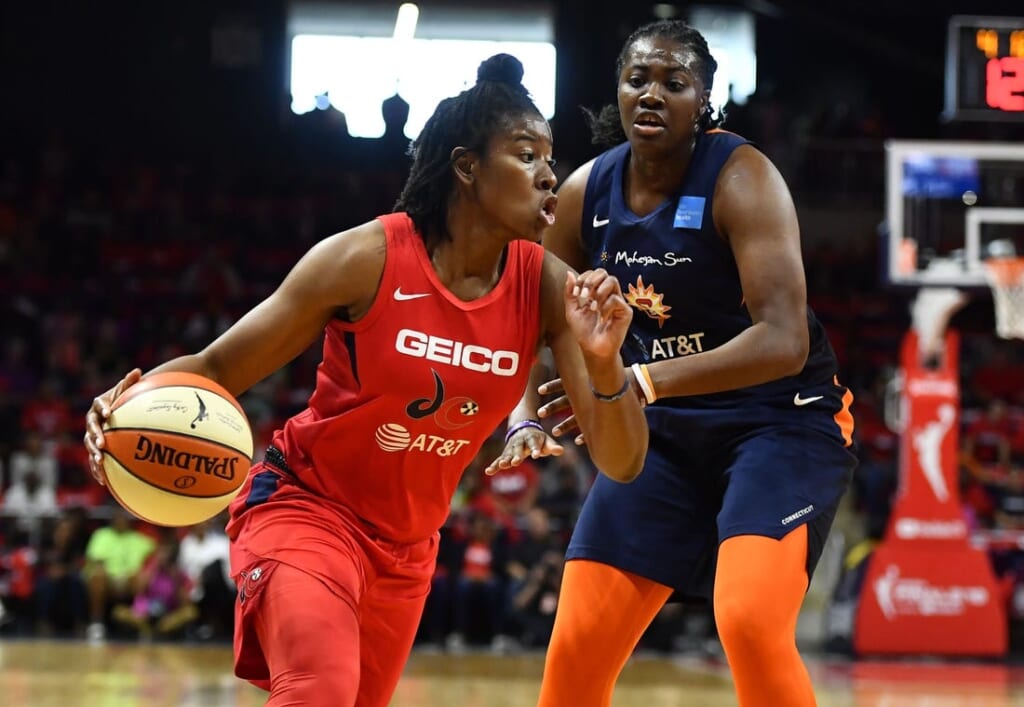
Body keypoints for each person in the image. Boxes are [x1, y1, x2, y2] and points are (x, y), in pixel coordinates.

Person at [84, 53, 647, 707]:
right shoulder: (365, 258)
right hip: (308, 510)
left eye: (550, 157)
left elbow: (622, 460)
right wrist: (125, 407)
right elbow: (216, 367)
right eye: (526, 156)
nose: (549, 173)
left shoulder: (549, 286)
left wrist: (605, 361)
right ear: (466, 167)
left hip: (408, 551)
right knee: (319, 690)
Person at [493, 21, 857, 707]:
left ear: (703, 101)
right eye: (638, 79)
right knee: (575, 650)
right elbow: (536, 322)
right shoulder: (585, 192)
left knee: (748, 623)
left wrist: (641, 381)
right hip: (660, 431)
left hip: (779, 422)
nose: (652, 94)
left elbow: (784, 339)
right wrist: (523, 415)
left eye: (674, 82)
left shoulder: (743, 177)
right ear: (618, 91)